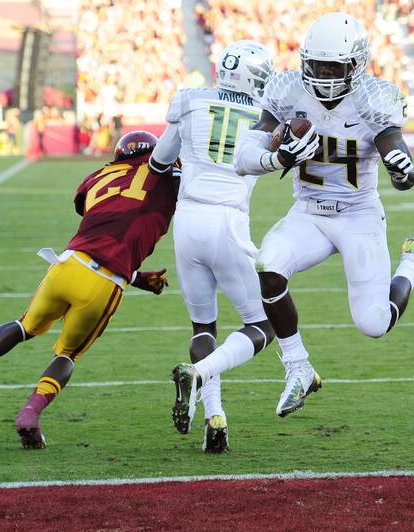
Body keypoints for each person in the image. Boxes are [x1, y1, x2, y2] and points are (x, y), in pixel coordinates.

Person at [173, 12, 414, 423]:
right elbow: (244, 158)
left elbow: (401, 164)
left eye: (333, 66)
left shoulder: (374, 98)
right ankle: (298, 368)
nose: (323, 74)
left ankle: (413, 263)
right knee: (267, 264)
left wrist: (402, 168)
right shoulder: (287, 91)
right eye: (316, 64)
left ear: (355, 65)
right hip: (309, 212)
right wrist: (277, 157)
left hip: (358, 214)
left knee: (373, 324)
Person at [0, 131, 177, 449]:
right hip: (104, 283)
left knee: (24, 326)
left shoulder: (99, 176)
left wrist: (136, 276)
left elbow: (105, 226)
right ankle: (30, 413)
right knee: (67, 354)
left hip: (67, 264)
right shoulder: (167, 176)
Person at [155, 40, 276, 453]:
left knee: (203, 327)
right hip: (228, 221)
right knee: (265, 326)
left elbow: (158, 162)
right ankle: (201, 373)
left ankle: (215, 419)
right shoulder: (266, 116)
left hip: (188, 220)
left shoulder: (190, 101)